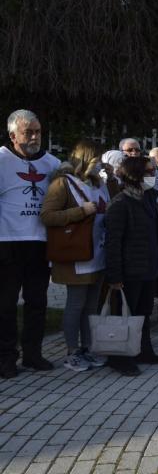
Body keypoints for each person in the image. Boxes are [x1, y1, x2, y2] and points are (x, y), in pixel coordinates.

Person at [0, 110, 61, 378]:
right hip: (7, 243)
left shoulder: (52, 164)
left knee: (37, 302)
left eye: (38, 131)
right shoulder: (1, 160)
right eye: (28, 132)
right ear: (13, 135)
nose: (35, 136)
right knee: (5, 305)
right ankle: (5, 357)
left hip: (40, 243)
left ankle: (33, 354)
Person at [41, 140, 110, 372]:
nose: (101, 162)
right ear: (87, 158)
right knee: (76, 304)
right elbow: (48, 216)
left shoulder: (98, 183)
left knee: (91, 306)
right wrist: (80, 211)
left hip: (97, 253)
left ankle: (87, 348)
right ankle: (71, 352)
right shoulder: (62, 183)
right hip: (76, 255)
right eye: (98, 158)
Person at [104, 156, 158, 376]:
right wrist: (114, 275)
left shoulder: (149, 198)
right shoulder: (120, 203)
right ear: (135, 175)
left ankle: (142, 350)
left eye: (153, 171)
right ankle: (119, 358)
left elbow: (154, 233)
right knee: (124, 314)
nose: (153, 175)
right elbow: (113, 243)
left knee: (143, 312)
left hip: (148, 267)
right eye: (148, 172)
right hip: (129, 270)